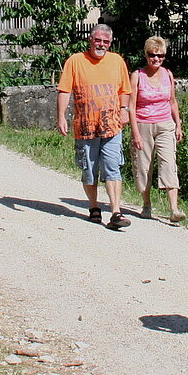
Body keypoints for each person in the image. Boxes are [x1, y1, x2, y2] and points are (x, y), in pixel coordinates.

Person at [57, 24, 132, 230]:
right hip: (86, 127)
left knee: (112, 166)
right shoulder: (75, 61)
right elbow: (64, 90)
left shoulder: (117, 61)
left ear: (110, 43)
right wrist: (61, 117)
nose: (101, 45)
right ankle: (93, 208)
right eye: (98, 40)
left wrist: (124, 109)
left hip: (112, 125)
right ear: (91, 40)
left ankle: (116, 211)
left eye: (105, 42)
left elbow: (124, 89)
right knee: (89, 170)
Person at [128, 36, 185, 222]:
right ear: (146, 55)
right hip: (143, 124)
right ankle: (146, 204)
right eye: (153, 55)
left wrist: (178, 125)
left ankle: (174, 209)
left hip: (165, 124)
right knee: (144, 167)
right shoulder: (137, 76)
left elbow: (172, 101)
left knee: (169, 163)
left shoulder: (168, 75)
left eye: (160, 56)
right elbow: (131, 105)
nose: (156, 59)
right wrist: (135, 132)